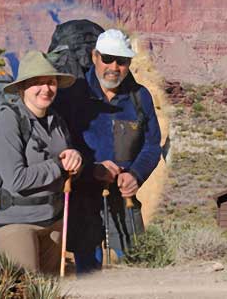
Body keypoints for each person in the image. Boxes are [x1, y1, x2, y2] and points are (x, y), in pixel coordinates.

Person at [63, 29, 163, 273]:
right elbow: (61, 145)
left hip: (124, 199)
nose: (114, 67)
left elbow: (151, 145)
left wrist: (136, 175)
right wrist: (90, 170)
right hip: (83, 199)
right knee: (88, 270)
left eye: (122, 61)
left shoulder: (140, 97)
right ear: (95, 56)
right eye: (108, 58)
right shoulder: (74, 94)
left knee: (137, 264)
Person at [0, 51, 82, 274]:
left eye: (50, 82)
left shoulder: (57, 121)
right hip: (15, 223)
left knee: (51, 289)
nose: (45, 89)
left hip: (52, 219)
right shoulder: (8, 121)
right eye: (37, 83)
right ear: (22, 88)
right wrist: (58, 166)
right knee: (26, 290)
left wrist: (75, 160)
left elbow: (66, 170)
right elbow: (16, 179)